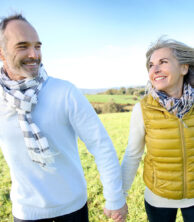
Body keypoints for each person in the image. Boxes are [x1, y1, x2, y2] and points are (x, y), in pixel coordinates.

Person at [0, 14, 128, 222]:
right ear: (2, 53)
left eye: (38, 46)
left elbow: (101, 145)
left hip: (72, 211)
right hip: (25, 214)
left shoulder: (65, 92)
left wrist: (114, 198)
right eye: (22, 46)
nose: (34, 54)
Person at [121, 37, 194, 222]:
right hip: (158, 200)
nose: (155, 70)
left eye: (163, 62)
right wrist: (119, 194)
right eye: (151, 65)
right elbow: (132, 154)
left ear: (184, 68)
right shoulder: (143, 109)